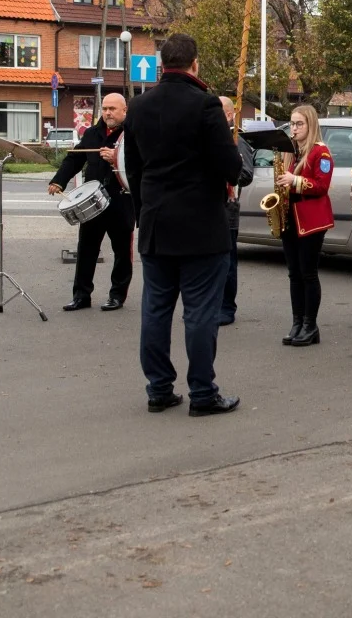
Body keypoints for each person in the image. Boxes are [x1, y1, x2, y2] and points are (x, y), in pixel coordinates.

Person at [123, 33, 242, 417]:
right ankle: (202, 394)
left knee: (155, 311)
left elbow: (135, 169)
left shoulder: (138, 106)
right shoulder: (205, 104)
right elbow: (231, 167)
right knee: (200, 313)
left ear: (161, 65)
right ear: (195, 64)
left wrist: (145, 214)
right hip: (201, 228)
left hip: (157, 224)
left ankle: (158, 389)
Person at [48, 93, 133, 312]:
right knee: (86, 249)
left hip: (121, 201)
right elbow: (75, 158)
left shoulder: (133, 134)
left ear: (124, 111)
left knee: (122, 251)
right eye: (105, 108)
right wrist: (59, 180)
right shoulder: (92, 133)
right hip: (92, 203)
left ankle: (117, 296)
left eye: (113, 109)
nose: (107, 113)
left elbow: (144, 162)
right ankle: (81, 296)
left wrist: (116, 156)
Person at [277, 105, 334, 347]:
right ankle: (297, 321)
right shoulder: (291, 153)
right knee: (294, 274)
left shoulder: (321, 153)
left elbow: (322, 186)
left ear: (311, 126)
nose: (295, 128)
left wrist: (295, 181)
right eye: (292, 124)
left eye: (299, 124)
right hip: (290, 219)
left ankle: (310, 325)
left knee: (308, 273)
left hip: (311, 219)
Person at [217, 96, 254, 326]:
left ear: (230, 115)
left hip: (227, 209)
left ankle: (227, 307)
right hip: (207, 208)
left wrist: (225, 174)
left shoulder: (237, 140)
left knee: (227, 262)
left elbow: (246, 174)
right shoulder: (210, 139)